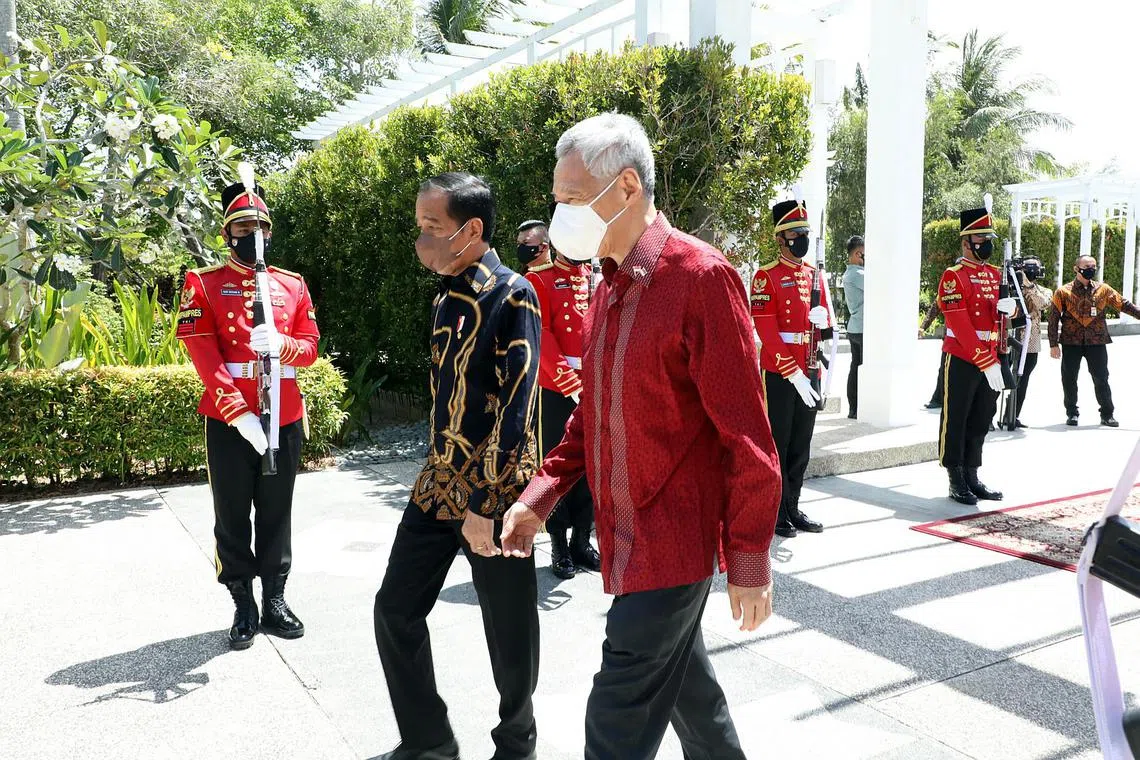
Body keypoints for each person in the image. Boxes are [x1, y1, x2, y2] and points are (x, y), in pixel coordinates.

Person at [499, 113, 781, 760]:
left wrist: (748, 559)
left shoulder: (701, 280)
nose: (557, 213)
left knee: (615, 722)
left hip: (672, 545)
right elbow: (589, 417)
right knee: (696, 705)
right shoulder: (608, 286)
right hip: (625, 536)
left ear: (626, 187)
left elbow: (749, 438)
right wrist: (538, 497)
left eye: (569, 199)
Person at [373, 173, 542, 760]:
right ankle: (429, 741)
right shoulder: (446, 292)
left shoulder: (513, 293)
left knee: (508, 627)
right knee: (395, 608)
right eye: (419, 227)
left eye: (432, 228)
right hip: (438, 478)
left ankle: (517, 745)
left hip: (494, 490)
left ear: (471, 230)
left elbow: (515, 408)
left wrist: (485, 507)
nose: (421, 240)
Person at [176, 179, 320, 650]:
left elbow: (310, 348)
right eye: (243, 225)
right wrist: (237, 412)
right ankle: (242, 601)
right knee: (232, 513)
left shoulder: (291, 284)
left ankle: (275, 598)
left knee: (277, 512)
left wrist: (283, 345)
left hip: (283, 413)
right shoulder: (204, 283)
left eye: (259, 225)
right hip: (229, 419)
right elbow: (202, 351)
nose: (252, 232)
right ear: (227, 233)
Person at [518, 219, 601, 580]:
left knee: (591, 465)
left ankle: (583, 539)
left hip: (593, 385)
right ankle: (559, 545)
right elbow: (542, 336)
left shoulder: (593, 276)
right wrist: (569, 382)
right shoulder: (540, 279)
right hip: (557, 389)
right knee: (556, 464)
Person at [750, 196, 833, 538]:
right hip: (781, 374)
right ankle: (775, 511)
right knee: (779, 443)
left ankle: (793, 506)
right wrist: (792, 372)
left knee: (802, 442)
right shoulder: (765, 277)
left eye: (804, 232)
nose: (800, 239)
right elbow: (766, 331)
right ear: (780, 239)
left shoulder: (814, 276)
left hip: (810, 369)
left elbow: (827, 327)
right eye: (794, 233)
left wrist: (824, 320)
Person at [936, 200, 1018, 505]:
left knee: (982, 416)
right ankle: (955, 476)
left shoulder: (996, 274)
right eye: (981, 240)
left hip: (992, 358)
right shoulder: (953, 276)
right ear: (967, 241)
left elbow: (1008, 319)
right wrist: (985, 363)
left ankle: (972, 473)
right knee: (956, 417)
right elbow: (960, 323)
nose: (985, 245)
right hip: (962, 357)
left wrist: (1011, 310)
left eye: (988, 240)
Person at [1048, 254, 1140, 428]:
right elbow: (1053, 319)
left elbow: (1124, 304)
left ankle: (1107, 414)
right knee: (1069, 378)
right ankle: (1072, 413)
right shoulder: (1063, 292)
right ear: (1076, 269)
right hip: (1071, 342)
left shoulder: (1103, 290)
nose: (1091, 269)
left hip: (1096, 341)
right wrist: (1053, 344)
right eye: (1086, 266)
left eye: (1093, 266)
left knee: (1101, 378)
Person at [1010, 257, 1051, 428]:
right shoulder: (1011, 287)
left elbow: (1042, 303)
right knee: (999, 377)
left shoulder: (1043, 290)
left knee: (1023, 379)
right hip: (1007, 339)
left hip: (1030, 342)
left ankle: (1013, 415)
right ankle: (987, 416)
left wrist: (1027, 286)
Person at [842, 235, 865, 419]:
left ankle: (854, 408)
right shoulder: (857, 274)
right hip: (862, 328)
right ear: (856, 254)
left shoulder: (850, 273)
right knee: (860, 368)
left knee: (855, 367)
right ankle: (856, 407)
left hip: (855, 327)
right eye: (862, 255)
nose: (864, 259)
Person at [919, 301, 945, 409]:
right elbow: (936, 307)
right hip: (952, 341)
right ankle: (938, 399)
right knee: (944, 370)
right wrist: (923, 327)